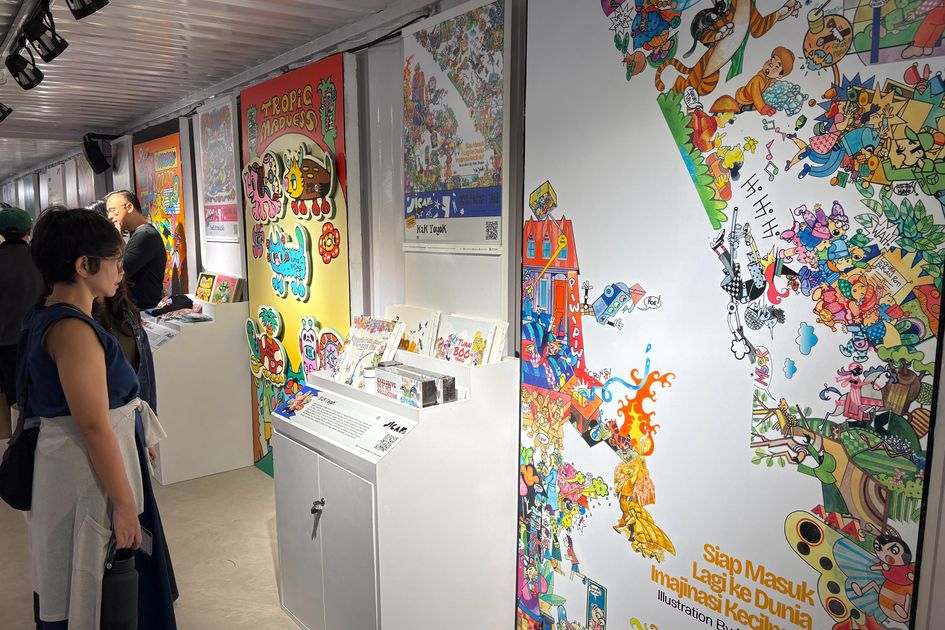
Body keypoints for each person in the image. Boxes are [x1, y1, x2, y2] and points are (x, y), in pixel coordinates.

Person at [20, 208, 166, 628]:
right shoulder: (72, 330)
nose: (121, 271)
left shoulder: (55, 316)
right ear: (84, 265)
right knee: (93, 585)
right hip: (86, 474)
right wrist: (124, 504)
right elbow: (94, 425)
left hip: (88, 463)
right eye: (115, 261)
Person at [93, 278, 179, 629]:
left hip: (129, 433)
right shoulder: (71, 323)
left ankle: (148, 603)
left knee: (139, 528)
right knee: (114, 531)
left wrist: (147, 433)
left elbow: (144, 376)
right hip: (99, 445)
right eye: (113, 261)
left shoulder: (124, 311)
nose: (120, 271)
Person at [0, 207, 42, 416]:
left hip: (5, 344)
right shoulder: (41, 260)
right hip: (39, 338)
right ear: (29, 230)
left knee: (13, 399)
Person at [105, 190, 167, 309]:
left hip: (143, 310)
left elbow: (119, 271)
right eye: (108, 212)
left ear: (129, 207)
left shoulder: (145, 235)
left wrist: (116, 239)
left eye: (113, 210)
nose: (110, 216)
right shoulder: (139, 233)